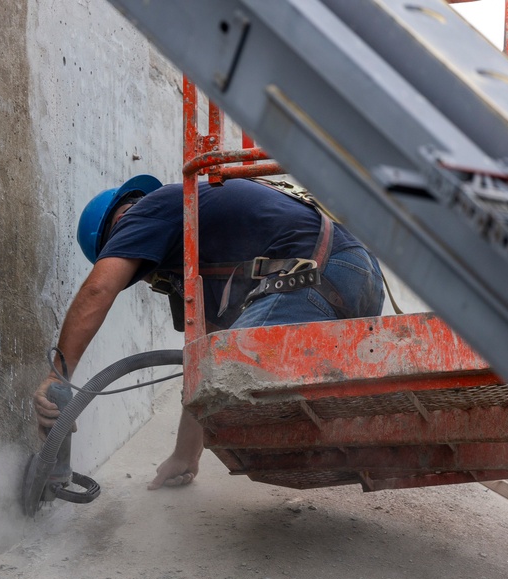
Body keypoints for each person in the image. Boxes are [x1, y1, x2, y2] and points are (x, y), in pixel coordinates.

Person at [34, 175, 384, 489]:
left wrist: (58, 376)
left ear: (119, 226)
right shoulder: (201, 248)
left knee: (242, 385)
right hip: (360, 276)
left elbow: (98, 290)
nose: (145, 278)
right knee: (223, 373)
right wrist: (186, 456)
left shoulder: (144, 213)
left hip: (315, 274)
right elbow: (204, 361)